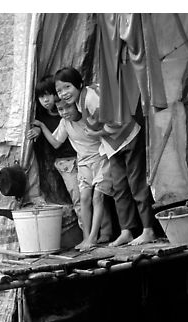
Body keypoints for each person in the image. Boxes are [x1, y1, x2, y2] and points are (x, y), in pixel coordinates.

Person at [56, 66, 156, 246]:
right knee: (120, 187)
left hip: (127, 138)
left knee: (136, 184)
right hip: (112, 146)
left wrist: (96, 134)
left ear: (78, 84)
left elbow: (116, 120)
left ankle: (148, 230)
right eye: (59, 90)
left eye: (67, 87)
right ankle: (127, 231)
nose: (63, 93)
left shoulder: (91, 98)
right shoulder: (80, 101)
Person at [33, 97, 113, 250]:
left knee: (98, 197)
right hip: (83, 163)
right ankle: (86, 238)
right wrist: (42, 126)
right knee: (83, 198)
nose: (64, 112)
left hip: (100, 159)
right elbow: (56, 142)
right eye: (60, 110)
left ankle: (93, 237)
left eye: (67, 108)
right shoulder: (64, 123)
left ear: (76, 106)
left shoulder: (87, 118)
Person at [26, 75, 80, 219]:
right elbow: (51, 138)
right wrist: (38, 130)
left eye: (48, 94)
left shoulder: (69, 110)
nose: (45, 100)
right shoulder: (42, 118)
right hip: (65, 162)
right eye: (41, 97)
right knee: (78, 199)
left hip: (82, 155)